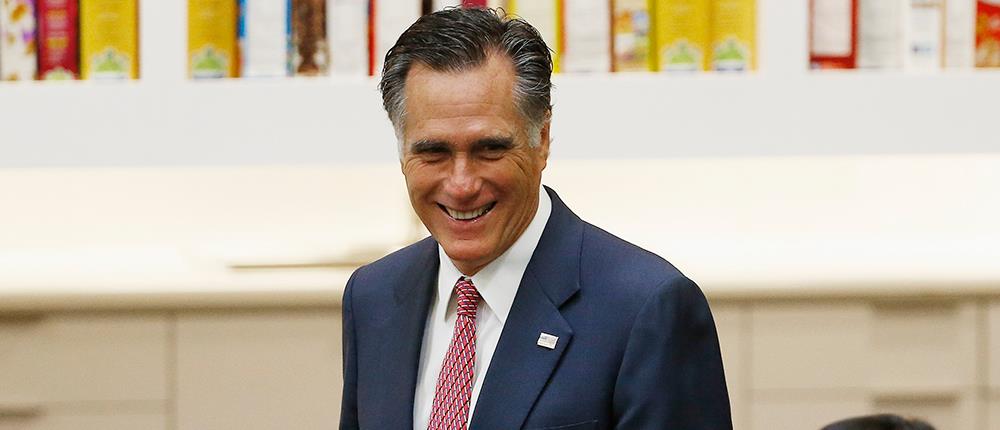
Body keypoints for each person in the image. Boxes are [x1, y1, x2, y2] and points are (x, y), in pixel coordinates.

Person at [339, 7, 730, 430]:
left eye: (490, 149)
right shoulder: (373, 296)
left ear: (541, 140)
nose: (461, 184)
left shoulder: (647, 309)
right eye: (433, 152)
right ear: (401, 152)